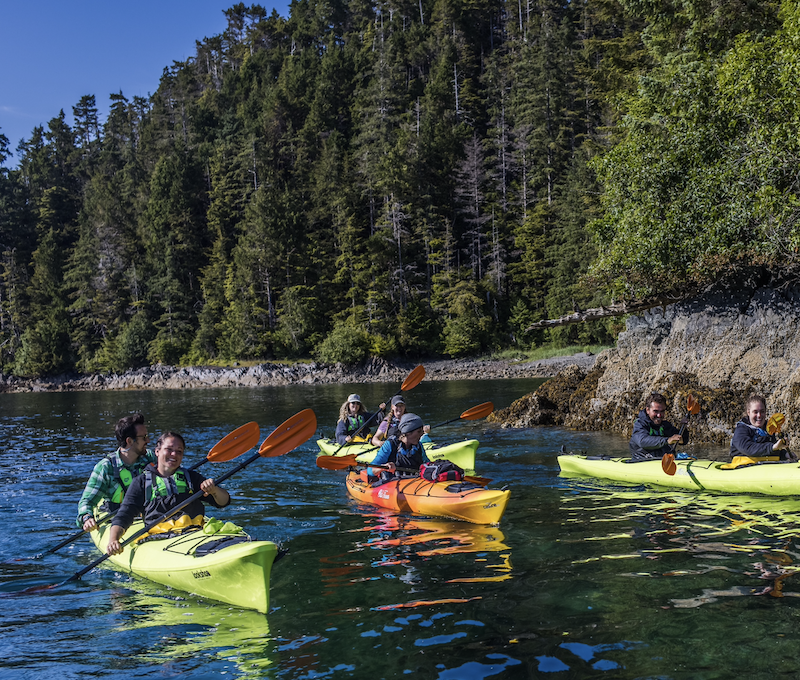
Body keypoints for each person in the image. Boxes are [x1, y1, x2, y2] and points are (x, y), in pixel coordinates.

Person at [105, 431, 230, 555]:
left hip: (195, 533)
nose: (174, 454)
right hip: (160, 539)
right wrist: (113, 540)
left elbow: (223, 502)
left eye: (179, 451)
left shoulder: (191, 478)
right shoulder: (141, 482)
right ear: (157, 451)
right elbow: (124, 515)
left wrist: (214, 490)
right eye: (169, 449)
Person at [76, 413, 156, 531]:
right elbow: (86, 501)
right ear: (129, 441)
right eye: (144, 437)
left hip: (148, 514)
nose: (148, 440)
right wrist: (87, 518)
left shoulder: (151, 458)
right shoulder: (105, 467)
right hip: (118, 519)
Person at [729, 395, 792, 461]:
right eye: (755, 412)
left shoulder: (768, 429)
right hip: (741, 465)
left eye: (762, 411)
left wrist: (785, 454)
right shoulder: (741, 430)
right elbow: (748, 449)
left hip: (764, 464)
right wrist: (772, 447)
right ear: (748, 412)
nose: (759, 415)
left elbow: (770, 451)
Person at [367, 413, 431, 477]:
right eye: (419, 431)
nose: (422, 434)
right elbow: (370, 470)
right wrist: (383, 467)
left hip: (415, 482)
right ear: (408, 432)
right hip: (393, 483)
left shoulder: (419, 446)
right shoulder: (390, 445)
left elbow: (427, 463)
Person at [629, 393, 688, 461]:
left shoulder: (665, 425)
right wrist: (667, 440)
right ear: (648, 410)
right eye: (655, 411)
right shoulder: (639, 424)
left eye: (662, 411)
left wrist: (683, 428)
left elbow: (684, 441)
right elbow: (642, 441)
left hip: (663, 461)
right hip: (641, 461)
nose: (659, 415)